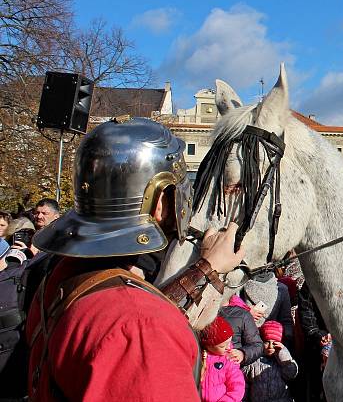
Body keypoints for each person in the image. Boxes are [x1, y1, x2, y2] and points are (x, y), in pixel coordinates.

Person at [25, 117, 246, 401]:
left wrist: (205, 269)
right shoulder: (139, 323)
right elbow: (138, 324)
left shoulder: (59, 275)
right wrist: (207, 269)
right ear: (160, 203)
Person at [243, 321, 299, 402]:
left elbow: (291, 374)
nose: (270, 346)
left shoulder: (283, 361)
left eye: (275, 343)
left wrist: (283, 354)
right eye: (266, 342)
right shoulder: (253, 362)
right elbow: (244, 385)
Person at [200, 315, 246, 402]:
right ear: (208, 345)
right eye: (222, 346)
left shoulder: (229, 359)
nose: (228, 347)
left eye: (229, 342)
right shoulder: (200, 355)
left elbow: (237, 385)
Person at [220, 294, 264, 366]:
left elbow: (257, 345)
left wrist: (242, 354)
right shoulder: (199, 310)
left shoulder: (242, 314)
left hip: (230, 367)